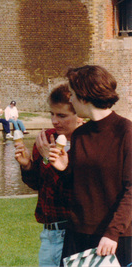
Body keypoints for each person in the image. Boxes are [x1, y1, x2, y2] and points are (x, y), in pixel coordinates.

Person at [49, 65, 132, 267]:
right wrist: (64, 169)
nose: (70, 100)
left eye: (73, 95)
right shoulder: (79, 135)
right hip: (77, 235)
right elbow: (81, 187)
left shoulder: (126, 132)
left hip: (115, 238)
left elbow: (131, 190)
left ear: (85, 97)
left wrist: (112, 234)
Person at [14, 84, 82, 266]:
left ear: (80, 115)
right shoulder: (46, 139)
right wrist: (27, 166)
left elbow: (73, 191)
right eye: (51, 114)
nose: (54, 121)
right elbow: (40, 185)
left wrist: (48, 160)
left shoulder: (86, 143)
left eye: (61, 115)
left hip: (76, 233)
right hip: (50, 232)